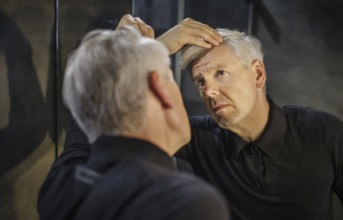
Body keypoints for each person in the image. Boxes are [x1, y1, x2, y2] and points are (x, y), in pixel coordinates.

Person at [37, 15, 229, 220]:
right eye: (169, 77)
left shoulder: (59, 185)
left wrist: (138, 58)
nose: (208, 91)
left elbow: (89, 116)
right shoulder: (185, 203)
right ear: (161, 89)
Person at [160, 20, 343, 219]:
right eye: (201, 82)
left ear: (258, 74)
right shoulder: (197, 137)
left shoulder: (323, 132)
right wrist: (156, 48)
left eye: (220, 73)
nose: (209, 92)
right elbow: (125, 129)